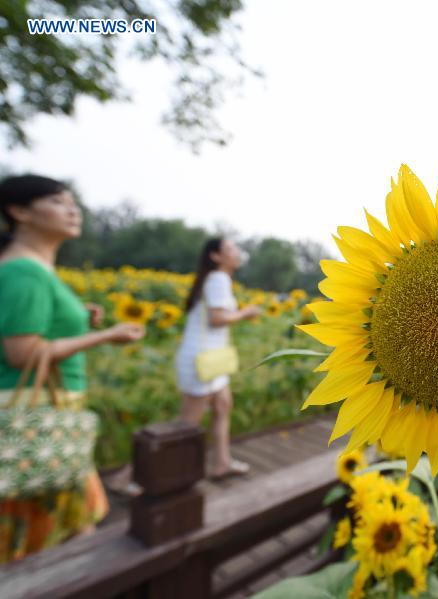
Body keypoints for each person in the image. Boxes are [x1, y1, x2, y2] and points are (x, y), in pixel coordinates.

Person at [0, 174, 145, 563]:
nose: (72, 209)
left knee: (68, 530)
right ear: (18, 212)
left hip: (48, 417)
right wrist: (106, 336)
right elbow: (21, 352)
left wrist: (80, 318)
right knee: (41, 542)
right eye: (57, 201)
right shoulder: (23, 271)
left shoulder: (32, 270)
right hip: (33, 421)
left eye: (73, 201)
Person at [175, 238, 260, 479]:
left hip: (211, 359)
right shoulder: (219, 279)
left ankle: (222, 462)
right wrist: (246, 313)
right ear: (215, 256)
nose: (237, 253)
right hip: (201, 360)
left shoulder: (216, 279)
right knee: (186, 424)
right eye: (231, 249)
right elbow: (217, 319)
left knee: (223, 405)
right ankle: (133, 474)